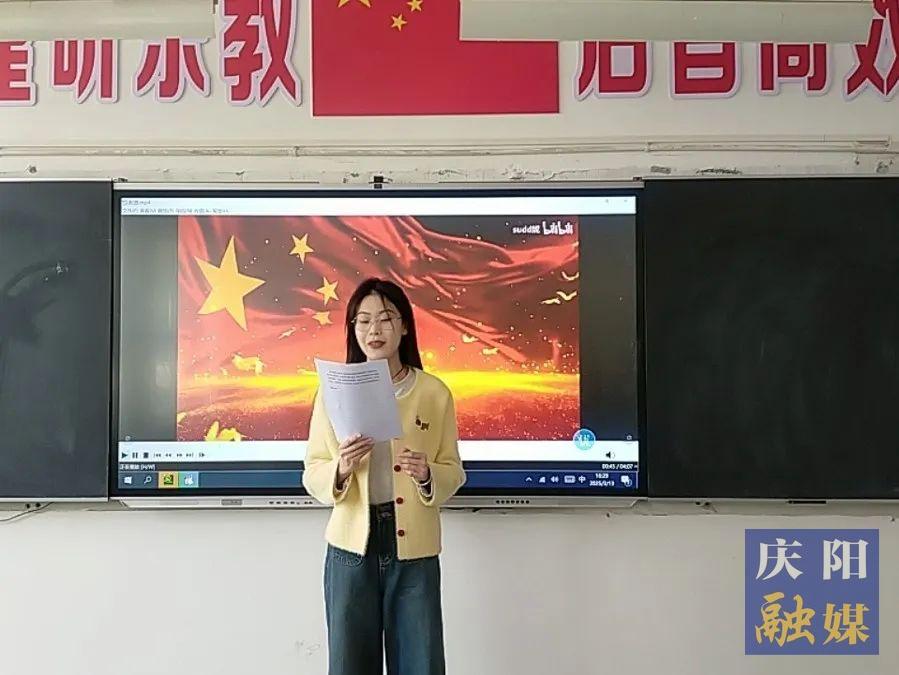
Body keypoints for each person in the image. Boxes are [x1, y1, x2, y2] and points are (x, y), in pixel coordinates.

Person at [303, 277, 466, 675]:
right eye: (363, 321)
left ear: (404, 325)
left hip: (414, 550)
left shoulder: (434, 393)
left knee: (420, 662)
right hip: (350, 548)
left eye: (386, 318)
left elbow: (454, 471)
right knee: (349, 663)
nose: (374, 330)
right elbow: (313, 471)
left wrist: (427, 475)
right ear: (353, 329)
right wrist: (341, 468)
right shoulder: (332, 392)